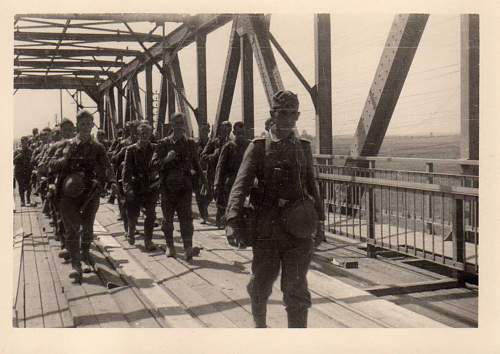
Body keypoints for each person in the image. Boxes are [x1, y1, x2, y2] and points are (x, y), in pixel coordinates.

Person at [225, 90, 325, 328]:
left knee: (296, 288)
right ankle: (260, 328)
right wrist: (232, 220)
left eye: (293, 114)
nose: (288, 119)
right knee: (261, 284)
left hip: (299, 231)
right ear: (273, 114)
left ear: (298, 115)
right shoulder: (258, 147)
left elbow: (313, 185)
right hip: (267, 230)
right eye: (283, 113)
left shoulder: (303, 147)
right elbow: (241, 184)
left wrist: (320, 223)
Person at [50, 110, 110, 283]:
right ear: (77, 125)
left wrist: (110, 181)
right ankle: (76, 266)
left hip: (90, 194)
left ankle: (84, 255)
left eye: (88, 124)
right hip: (68, 194)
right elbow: (50, 164)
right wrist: (64, 160)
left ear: (92, 125)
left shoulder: (98, 147)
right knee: (72, 229)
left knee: (88, 227)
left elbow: (107, 166)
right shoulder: (65, 145)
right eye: (81, 124)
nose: (85, 127)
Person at [152, 112, 208, 261]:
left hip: (185, 187)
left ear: (184, 125)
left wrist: (204, 182)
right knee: (168, 218)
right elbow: (153, 164)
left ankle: (187, 247)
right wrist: (166, 159)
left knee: (186, 218)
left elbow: (197, 163)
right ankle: (170, 246)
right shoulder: (163, 143)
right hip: (167, 187)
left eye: (182, 123)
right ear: (171, 125)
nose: (179, 126)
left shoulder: (190, 144)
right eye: (176, 123)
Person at [122, 122, 158, 251]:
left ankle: (148, 240)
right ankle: (131, 231)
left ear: (150, 135)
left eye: (147, 133)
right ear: (137, 135)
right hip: (136, 185)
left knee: (151, 214)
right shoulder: (131, 150)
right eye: (142, 133)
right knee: (133, 213)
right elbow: (126, 171)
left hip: (150, 186)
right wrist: (127, 188)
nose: (144, 136)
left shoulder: (155, 148)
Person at [214, 121, 250, 229]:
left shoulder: (249, 145)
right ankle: (226, 225)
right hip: (230, 181)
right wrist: (217, 184)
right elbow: (220, 166)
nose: (241, 136)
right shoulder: (229, 146)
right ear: (234, 132)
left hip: (245, 180)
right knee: (227, 205)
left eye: (243, 133)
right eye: (239, 133)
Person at [201, 120, 232, 226]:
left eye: (229, 129)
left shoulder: (231, 143)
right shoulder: (213, 142)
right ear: (221, 130)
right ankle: (204, 213)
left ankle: (220, 221)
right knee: (209, 197)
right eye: (225, 129)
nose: (227, 132)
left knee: (222, 198)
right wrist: (214, 155)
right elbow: (203, 156)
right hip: (213, 175)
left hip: (225, 176)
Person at [193, 123, 211, 223]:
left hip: (209, 172)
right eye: (202, 130)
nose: (204, 132)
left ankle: (205, 207)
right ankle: (204, 216)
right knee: (199, 195)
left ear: (208, 131)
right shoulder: (195, 144)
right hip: (198, 173)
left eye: (206, 130)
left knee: (210, 194)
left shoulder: (212, 143)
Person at [13, 136, 33, 207]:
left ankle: (28, 199)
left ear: (27, 142)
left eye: (26, 142)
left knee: (29, 186)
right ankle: (22, 200)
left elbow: (32, 160)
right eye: (23, 142)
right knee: (21, 186)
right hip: (19, 171)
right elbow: (13, 161)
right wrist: (19, 155)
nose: (24, 143)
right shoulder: (17, 151)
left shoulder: (30, 151)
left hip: (28, 171)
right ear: (21, 142)